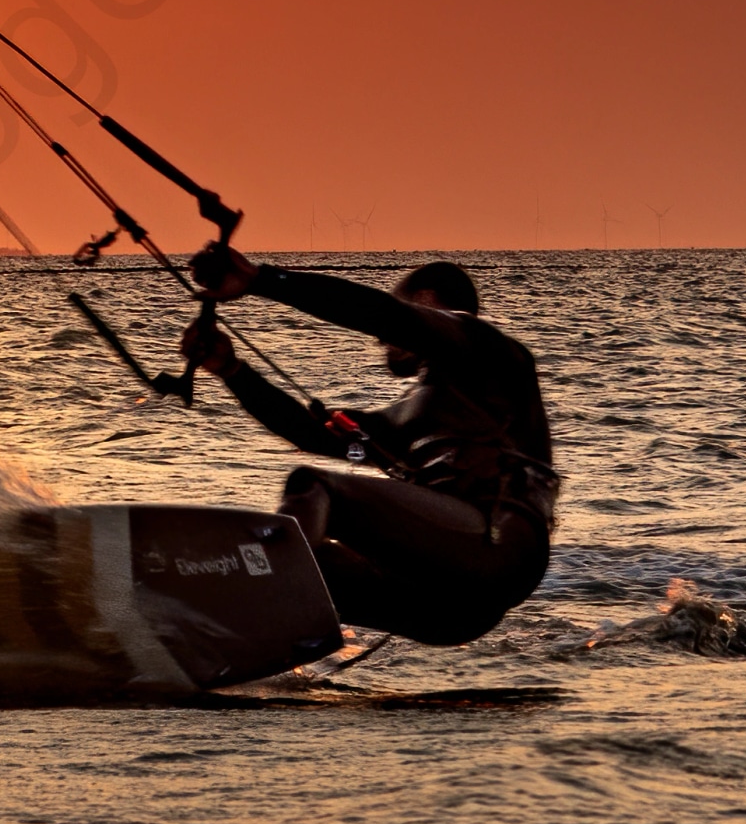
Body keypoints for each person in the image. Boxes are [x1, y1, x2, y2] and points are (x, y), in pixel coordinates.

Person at [179, 248, 558, 644]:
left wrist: (261, 280)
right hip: (449, 609)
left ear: (428, 303)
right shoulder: (405, 417)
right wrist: (230, 370)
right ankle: (222, 642)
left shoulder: (487, 347)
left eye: (404, 309)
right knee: (316, 562)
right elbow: (308, 432)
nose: (381, 339)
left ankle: (254, 602)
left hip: (498, 548)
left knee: (314, 486)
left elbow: (380, 314)